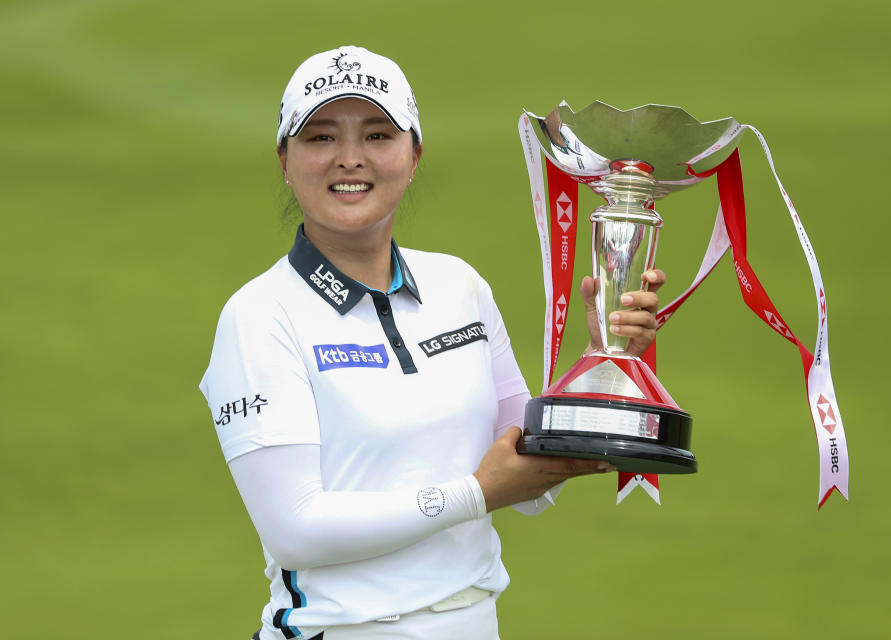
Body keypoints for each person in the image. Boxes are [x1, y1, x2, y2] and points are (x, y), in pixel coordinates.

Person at [199, 45, 666, 640]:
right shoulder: (261, 314)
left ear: (414, 155)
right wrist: (475, 494)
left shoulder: (459, 285)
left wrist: (602, 365)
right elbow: (295, 530)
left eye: (377, 135)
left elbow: (528, 472)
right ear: (285, 160)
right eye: (319, 138)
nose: (349, 159)